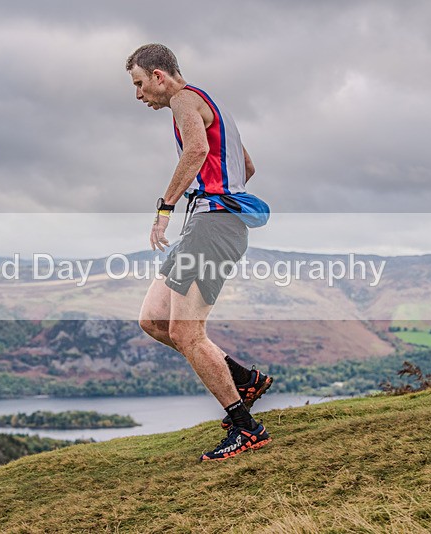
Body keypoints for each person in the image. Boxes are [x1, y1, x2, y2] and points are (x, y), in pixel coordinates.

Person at [127, 44, 273, 461]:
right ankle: (245, 379)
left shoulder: (184, 100)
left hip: (212, 224)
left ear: (159, 75)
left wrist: (164, 209)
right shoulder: (209, 104)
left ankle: (246, 429)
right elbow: (246, 165)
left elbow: (196, 151)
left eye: (139, 84)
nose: (138, 95)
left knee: (187, 333)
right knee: (153, 320)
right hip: (206, 221)